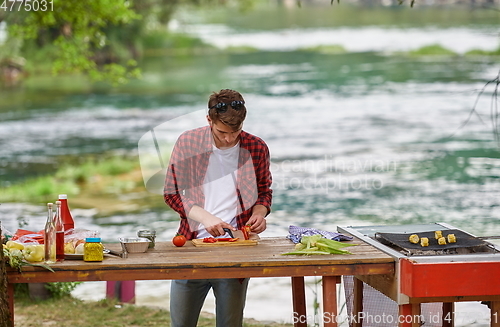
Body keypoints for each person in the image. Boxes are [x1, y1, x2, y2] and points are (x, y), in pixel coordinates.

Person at [164, 89, 273, 327]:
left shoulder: (256, 147)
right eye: (222, 132)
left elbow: (264, 191)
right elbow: (170, 193)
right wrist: (205, 217)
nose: (229, 139)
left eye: (236, 132)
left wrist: (259, 213)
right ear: (209, 120)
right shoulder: (188, 142)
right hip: (191, 246)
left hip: (236, 249)